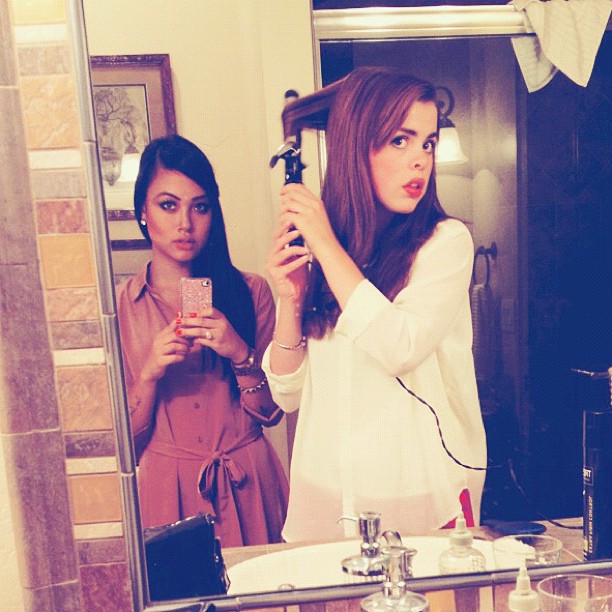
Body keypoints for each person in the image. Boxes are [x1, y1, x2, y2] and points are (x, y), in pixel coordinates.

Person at [263, 66, 487, 542]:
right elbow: (286, 394)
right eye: (400, 141)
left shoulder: (445, 243)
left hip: (419, 499)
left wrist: (324, 243)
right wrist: (290, 299)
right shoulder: (328, 251)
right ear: (353, 146)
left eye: (428, 143)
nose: (420, 161)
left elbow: (399, 347)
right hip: (324, 499)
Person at [115, 134, 288, 547]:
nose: (185, 224)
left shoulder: (250, 292)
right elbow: (124, 445)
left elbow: (272, 413)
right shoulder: (120, 307)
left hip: (249, 484)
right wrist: (149, 374)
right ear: (143, 211)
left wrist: (240, 354)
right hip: (167, 491)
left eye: (200, 206)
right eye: (168, 205)